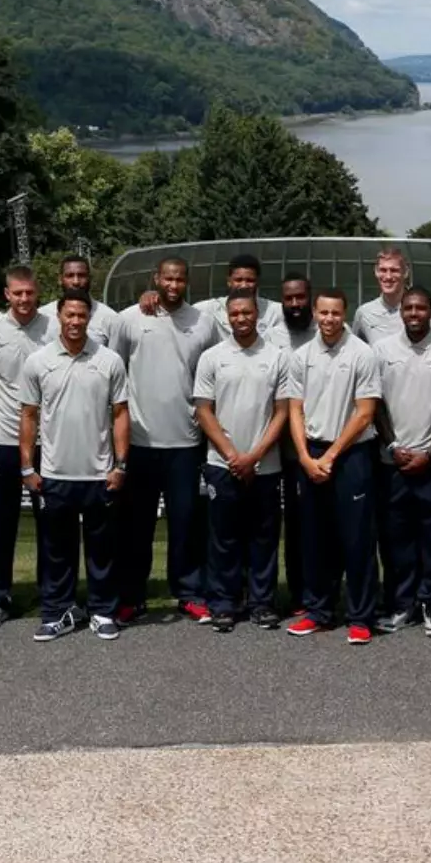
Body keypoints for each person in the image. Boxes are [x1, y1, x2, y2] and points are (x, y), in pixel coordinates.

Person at [110, 256, 219, 623]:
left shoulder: (203, 322)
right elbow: (114, 375)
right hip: (140, 442)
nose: (173, 285)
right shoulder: (129, 318)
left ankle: (188, 593)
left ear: (187, 281)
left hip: (186, 442)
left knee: (185, 524)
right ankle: (131, 596)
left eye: (179, 279)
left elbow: (213, 375)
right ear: (156, 278)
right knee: (136, 526)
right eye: (167, 279)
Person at [19, 289, 131, 642]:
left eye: (82, 315)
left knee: (102, 550)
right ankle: (57, 613)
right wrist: (27, 467)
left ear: (89, 318)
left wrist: (120, 465)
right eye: (70, 315)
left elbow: (120, 413)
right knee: (57, 551)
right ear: (59, 316)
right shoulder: (38, 361)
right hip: (55, 473)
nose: (75, 321)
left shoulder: (109, 360)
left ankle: (102, 611)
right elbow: (29, 415)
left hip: (99, 473)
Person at [285, 288, 381, 644]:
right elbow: (295, 409)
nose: (329, 319)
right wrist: (305, 456)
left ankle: (361, 617)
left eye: (335, 313)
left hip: (351, 454)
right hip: (312, 453)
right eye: (323, 313)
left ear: (345, 314)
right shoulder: (302, 356)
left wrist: (330, 456)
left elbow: (365, 412)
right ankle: (319, 611)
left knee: (357, 539)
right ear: (315, 313)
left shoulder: (362, 354)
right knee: (315, 538)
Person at [193, 290, 291, 632]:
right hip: (223, 464)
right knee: (224, 538)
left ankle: (262, 603)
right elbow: (204, 410)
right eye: (234, 313)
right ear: (228, 317)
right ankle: (224, 603)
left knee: (264, 537)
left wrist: (255, 455)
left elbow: (282, 412)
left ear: (257, 315)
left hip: (266, 465)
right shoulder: (212, 357)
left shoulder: (277, 357)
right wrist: (233, 455)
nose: (241, 318)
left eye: (246, 312)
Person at [371, 286, 431, 637]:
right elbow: (375, 404)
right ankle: (401, 604)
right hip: (392, 462)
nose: (413, 313)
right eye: (408, 308)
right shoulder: (382, 351)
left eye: (420, 308)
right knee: (396, 540)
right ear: (401, 312)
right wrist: (393, 445)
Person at [0, 265, 55, 629]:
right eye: (17, 293)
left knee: (51, 523)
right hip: (2, 442)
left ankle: (53, 596)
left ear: (38, 292)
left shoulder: (54, 328)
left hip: (47, 444)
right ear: (6, 294)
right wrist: (1, 421)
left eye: (29, 293)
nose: (24, 299)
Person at [267, 273, 317, 613]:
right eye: (289, 299)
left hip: (319, 443)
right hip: (279, 445)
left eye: (301, 297)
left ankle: (318, 593)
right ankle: (292, 593)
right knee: (287, 525)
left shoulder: (326, 329)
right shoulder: (272, 337)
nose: (295, 304)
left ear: (310, 298)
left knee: (316, 525)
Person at [140, 253, 284, 336]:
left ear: (258, 282)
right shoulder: (208, 309)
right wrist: (153, 294)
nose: (244, 285)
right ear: (229, 281)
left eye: (250, 280)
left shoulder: (275, 311)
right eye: (238, 280)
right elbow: (178, 308)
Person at [352, 247, 431, 344]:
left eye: (394, 270)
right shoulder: (364, 313)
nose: (388, 277)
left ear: (406, 272)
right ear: (376, 272)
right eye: (383, 270)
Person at [38, 254, 117, 346]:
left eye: (81, 275)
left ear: (90, 278)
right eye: (70, 276)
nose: (76, 282)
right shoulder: (43, 316)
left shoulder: (109, 318)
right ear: (60, 279)